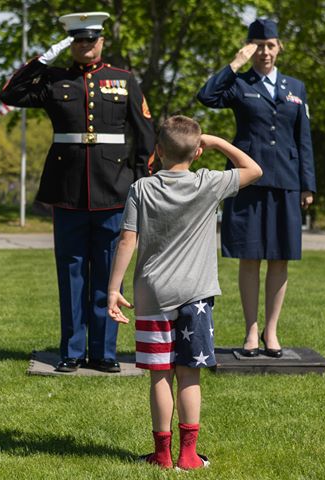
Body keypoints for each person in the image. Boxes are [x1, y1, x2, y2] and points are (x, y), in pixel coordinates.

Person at [0, 12, 155, 373]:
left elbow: (144, 132)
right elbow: (11, 92)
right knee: (71, 273)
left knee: (106, 272)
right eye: (78, 41)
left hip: (114, 189)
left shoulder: (123, 80)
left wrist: (138, 179)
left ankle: (104, 353)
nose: (86, 46)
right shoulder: (54, 79)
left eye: (91, 40)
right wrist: (45, 57)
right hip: (67, 189)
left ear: (102, 42)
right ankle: (71, 351)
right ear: (71, 44)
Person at [107, 116, 262, 469]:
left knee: (160, 375)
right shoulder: (208, 183)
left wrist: (113, 289)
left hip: (152, 296)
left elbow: (128, 239)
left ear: (157, 151)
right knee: (189, 374)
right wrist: (217, 142)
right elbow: (254, 170)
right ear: (197, 153)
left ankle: (162, 456)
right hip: (197, 296)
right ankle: (189, 456)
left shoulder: (141, 189)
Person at [197, 18, 316, 358]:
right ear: (250, 48)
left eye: (270, 45)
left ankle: (272, 331)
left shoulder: (296, 87)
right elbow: (207, 96)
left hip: (287, 183)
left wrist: (308, 184)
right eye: (258, 46)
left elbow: (303, 138)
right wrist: (235, 64)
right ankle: (251, 330)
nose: (265, 52)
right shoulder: (239, 84)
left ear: (280, 48)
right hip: (246, 180)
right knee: (249, 257)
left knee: (280, 258)